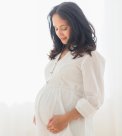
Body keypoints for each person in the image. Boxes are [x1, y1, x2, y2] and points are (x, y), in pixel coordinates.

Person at [33, 2, 105, 136]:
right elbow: (53, 88)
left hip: (70, 127)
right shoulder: (58, 55)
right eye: (55, 28)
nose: (59, 33)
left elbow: (94, 99)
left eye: (63, 28)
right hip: (48, 128)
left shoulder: (89, 57)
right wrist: (39, 111)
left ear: (76, 25)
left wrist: (65, 119)